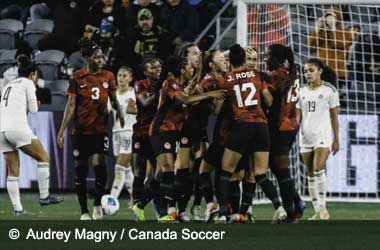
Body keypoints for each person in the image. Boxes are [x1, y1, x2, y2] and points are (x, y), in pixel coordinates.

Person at [216, 44, 286, 223]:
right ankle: (279, 207)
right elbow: (269, 101)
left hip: (241, 127)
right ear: (244, 59)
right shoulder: (258, 76)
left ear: (230, 60)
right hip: (261, 127)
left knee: (226, 172)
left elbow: (217, 109)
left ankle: (223, 214)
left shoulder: (227, 79)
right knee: (260, 173)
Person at [149, 55, 225, 221]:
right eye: (190, 66)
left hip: (174, 131)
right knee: (168, 170)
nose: (193, 68)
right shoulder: (170, 83)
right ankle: (164, 211)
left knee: (170, 171)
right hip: (161, 130)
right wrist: (209, 94)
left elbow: (189, 102)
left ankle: (146, 204)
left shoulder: (183, 85)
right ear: (182, 69)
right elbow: (186, 100)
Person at [57, 38, 124, 220]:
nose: (100, 59)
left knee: (100, 164)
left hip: (100, 129)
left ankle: (97, 205)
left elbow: (113, 99)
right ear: (86, 57)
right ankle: (84, 211)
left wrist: (120, 113)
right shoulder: (76, 77)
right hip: (80, 131)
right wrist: (62, 130)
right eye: (96, 56)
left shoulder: (108, 76)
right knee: (81, 170)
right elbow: (71, 105)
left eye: (101, 55)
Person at [0, 57, 63, 215]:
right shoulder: (28, 83)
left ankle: (18, 209)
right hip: (17, 128)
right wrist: (36, 103)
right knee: (44, 158)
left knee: (12, 172)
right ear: (33, 74)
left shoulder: (8, 85)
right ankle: (44, 196)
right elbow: (34, 109)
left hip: (2, 130)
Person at [264, 44, 305, 222]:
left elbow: (270, 101)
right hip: (290, 126)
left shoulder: (276, 75)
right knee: (275, 168)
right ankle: (297, 201)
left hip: (279, 127)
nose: (265, 59)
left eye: (267, 55)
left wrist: (261, 85)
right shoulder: (291, 73)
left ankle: (291, 213)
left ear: (274, 58)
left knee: (281, 172)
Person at [296, 58, 340, 220]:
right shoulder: (301, 91)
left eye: (311, 70)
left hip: (324, 135)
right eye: (306, 71)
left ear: (320, 71)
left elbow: (334, 116)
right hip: (305, 136)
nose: (308, 73)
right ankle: (317, 210)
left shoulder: (330, 90)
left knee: (318, 167)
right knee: (310, 173)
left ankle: (323, 208)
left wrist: (336, 139)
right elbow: (297, 116)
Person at [131, 58, 162, 221]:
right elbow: (144, 103)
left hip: (158, 133)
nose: (157, 68)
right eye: (153, 67)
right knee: (139, 172)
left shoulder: (166, 84)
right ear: (145, 72)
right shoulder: (140, 84)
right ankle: (136, 208)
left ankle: (155, 206)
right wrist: (161, 92)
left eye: (159, 66)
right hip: (142, 133)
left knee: (160, 172)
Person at [109, 67, 136, 203]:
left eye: (125, 76)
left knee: (119, 167)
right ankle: (134, 197)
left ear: (130, 78)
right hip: (116, 132)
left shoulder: (134, 93)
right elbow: (106, 110)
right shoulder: (112, 94)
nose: (121, 78)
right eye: (119, 75)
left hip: (129, 132)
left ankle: (111, 199)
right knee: (126, 168)